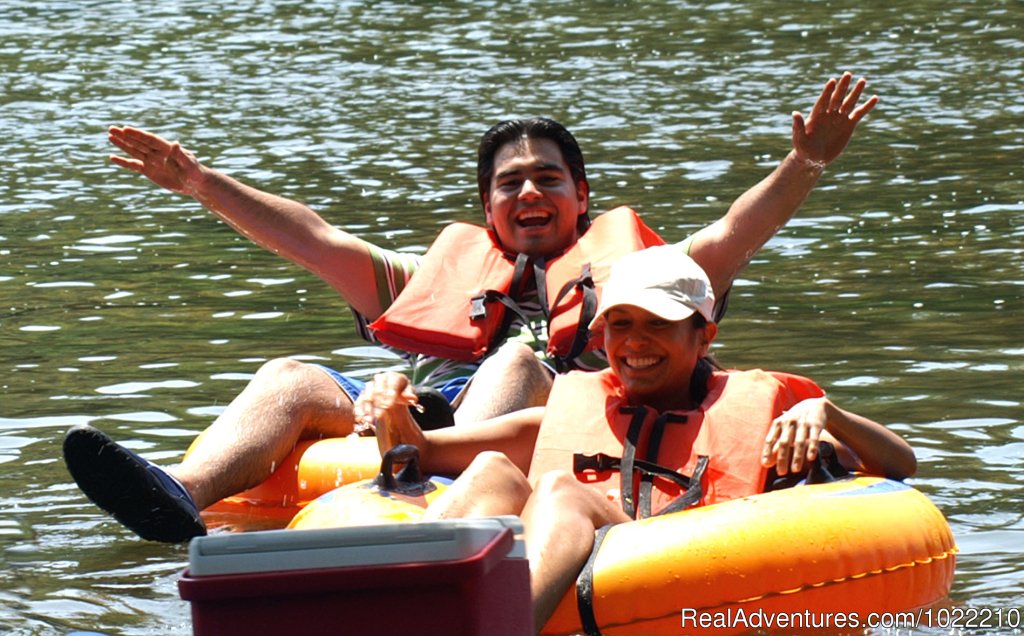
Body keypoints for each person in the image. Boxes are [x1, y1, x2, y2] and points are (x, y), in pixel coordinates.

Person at [63, 73, 879, 542]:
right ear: (486, 207)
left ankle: (422, 495)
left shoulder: (642, 281)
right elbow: (310, 237)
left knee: (521, 357)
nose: (528, 191)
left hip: (518, 421)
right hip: (405, 405)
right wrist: (201, 184)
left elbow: (738, 231)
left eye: (547, 178)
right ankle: (177, 495)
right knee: (291, 374)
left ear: (581, 198)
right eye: (508, 183)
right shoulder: (422, 277)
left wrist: (804, 162)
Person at [352, 245, 917, 632]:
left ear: (703, 336)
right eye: (621, 324)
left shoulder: (767, 417)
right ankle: (388, 615)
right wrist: (389, 405)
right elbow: (420, 455)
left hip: (687, 575)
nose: (635, 342)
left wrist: (829, 413)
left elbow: (900, 467)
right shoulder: (569, 409)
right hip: (588, 577)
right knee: (494, 470)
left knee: (557, 491)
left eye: (658, 324)